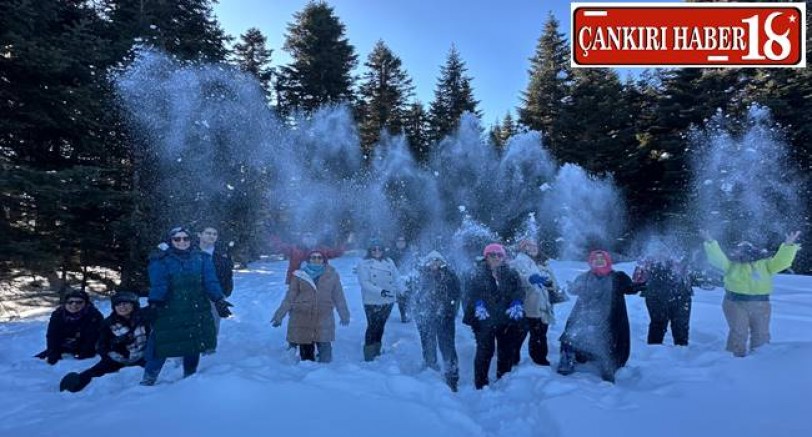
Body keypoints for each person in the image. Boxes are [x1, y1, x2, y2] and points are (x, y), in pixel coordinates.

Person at [140, 226, 234, 386]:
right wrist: (154, 304)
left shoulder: (202, 258)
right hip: (169, 308)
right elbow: (159, 285)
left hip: (196, 308)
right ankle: (149, 379)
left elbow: (210, 281)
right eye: (177, 239)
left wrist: (219, 300)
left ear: (191, 240)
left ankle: (190, 378)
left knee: (193, 343)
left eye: (185, 238)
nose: (182, 242)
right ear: (171, 241)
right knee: (161, 343)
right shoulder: (161, 260)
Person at [701, 230, 801, 357]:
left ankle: (760, 361)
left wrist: (788, 246)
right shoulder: (731, 265)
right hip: (735, 303)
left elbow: (782, 262)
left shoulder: (765, 264)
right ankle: (734, 360)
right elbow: (717, 259)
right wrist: (711, 242)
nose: (739, 252)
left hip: (761, 303)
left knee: (761, 334)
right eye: (738, 250)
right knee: (739, 332)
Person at [557, 250, 638, 383]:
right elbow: (574, 290)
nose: (599, 261)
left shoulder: (618, 276)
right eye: (596, 259)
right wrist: (572, 287)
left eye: (602, 258)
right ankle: (568, 359)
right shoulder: (585, 277)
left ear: (607, 260)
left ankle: (608, 366)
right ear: (591, 262)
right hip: (585, 314)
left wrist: (636, 286)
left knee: (607, 339)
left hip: (610, 316)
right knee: (572, 333)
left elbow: (629, 288)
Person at [59, 291, 149, 392]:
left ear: (134, 305)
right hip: (117, 358)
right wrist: (116, 345)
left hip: (143, 355)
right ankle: (74, 384)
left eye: (125, 303)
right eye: (118, 304)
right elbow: (101, 346)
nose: (122, 307)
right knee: (97, 371)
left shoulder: (145, 319)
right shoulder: (108, 323)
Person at [462, 243, 524, 390]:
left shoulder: (511, 273)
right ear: (486, 257)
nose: (496, 257)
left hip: (505, 318)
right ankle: (480, 383)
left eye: (499, 255)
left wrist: (517, 301)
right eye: (492, 255)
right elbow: (469, 292)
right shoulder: (477, 273)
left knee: (506, 350)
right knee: (485, 350)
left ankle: (503, 379)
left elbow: (519, 290)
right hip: (484, 318)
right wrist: (478, 303)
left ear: (504, 257)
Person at [271, 250, 351, 363]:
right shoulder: (299, 275)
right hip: (303, 317)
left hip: (324, 317)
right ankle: (306, 377)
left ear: (324, 260)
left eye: (319, 257)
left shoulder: (332, 275)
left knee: (326, 358)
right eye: (313, 257)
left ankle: (326, 379)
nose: (316, 260)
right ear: (309, 259)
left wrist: (344, 314)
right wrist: (279, 315)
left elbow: (339, 296)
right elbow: (290, 297)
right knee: (307, 360)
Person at [413, 250, 461, 391]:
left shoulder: (450, 275)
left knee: (448, 347)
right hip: (426, 317)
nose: (434, 263)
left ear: (442, 262)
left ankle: (452, 376)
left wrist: (447, 306)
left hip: (445, 318)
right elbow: (416, 295)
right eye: (432, 260)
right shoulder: (422, 276)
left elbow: (456, 293)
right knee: (428, 343)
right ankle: (430, 369)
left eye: (437, 260)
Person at [632, 248, 694, 346]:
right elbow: (637, 279)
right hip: (656, 298)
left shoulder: (680, 257)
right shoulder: (649, 259)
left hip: (681, 297)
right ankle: (653, 354)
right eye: (661, 249)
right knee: (658, 326)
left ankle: (682, 355)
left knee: (680, 329)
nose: (663, 253)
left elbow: (690, 276)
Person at [357, 238, 405, 361]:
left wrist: (403, 289)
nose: (377, 251)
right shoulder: (363, 264)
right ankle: (368, 354)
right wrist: (381, 292)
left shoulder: (389, 261)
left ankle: (377, 350)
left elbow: (397, 277)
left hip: (388, 300)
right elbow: (364, 283)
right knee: (372, 326)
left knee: (381, 326)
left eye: (379, 249)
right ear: (370, 250)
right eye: (374, 249)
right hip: (371, 300)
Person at [510, 238, 555, 366]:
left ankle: (540, 358)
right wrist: (530, 279)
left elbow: (552, 282)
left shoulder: (543, 263)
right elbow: (516, 279)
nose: (533, 248)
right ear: (523, 248)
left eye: (535, 245)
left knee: (541, 333)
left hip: (543, 304)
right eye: (529, 246)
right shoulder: (519, 261)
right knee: (521, 334)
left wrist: (550, 283)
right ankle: (513, 358)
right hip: (528, 304)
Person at [36, 289, 103, 365]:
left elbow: (93, 337)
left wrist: (84, 356)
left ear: (86, 303)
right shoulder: (58, 314)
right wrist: (53, 354)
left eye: (79, 302)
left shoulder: (94, 315)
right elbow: (52, 335)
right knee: (39, 360)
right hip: (65, 344)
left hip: (88, 345)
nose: (74, 305)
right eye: (70, 302)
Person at [198, 225, 234, 348]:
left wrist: (225, 292)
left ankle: (208, 349)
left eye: (214, 234)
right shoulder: (190, 253)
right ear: (200, 235)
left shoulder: (221, 255)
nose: (211, 236)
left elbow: (228, 274)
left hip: (216, 295)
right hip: (194, 294)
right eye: (208, 233)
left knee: (213, 321)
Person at [272, 231, 345, 285]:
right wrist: (274, 238)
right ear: (302, 239)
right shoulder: (294, 249)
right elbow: (280, 247)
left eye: (312, 236)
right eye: (307, 236)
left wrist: (345, 245)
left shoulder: (322, 249)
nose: (309, 238)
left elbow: (335, 252)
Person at [389, 235, 416, 323]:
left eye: (402, 241)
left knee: (406, 296)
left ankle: (405, 314)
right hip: (394, 279)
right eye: (399, 241)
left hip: (407, 278)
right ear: (396, 243)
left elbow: (413, 264)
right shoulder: (391, 253)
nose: (401, 243)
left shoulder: (409, 253)